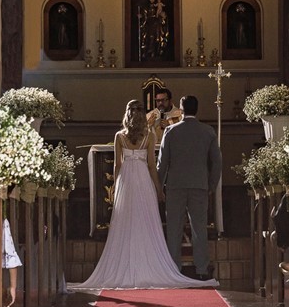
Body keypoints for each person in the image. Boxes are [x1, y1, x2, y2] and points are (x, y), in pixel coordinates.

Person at [70, 100, 216, 290]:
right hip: (145, 181)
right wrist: (158, 188)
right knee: (147, 221)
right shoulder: (149, 135)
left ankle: (139, 264)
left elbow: (117, 165)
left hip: (127, 181)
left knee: (129, 221)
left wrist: (115, 187)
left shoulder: (119, 136)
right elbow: (152, 166)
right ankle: (169, 265)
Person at [157, 95, 223, 281]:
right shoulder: (208, 131)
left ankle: (173, 269)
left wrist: (159, 187)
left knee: (174, 229)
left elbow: (163, 163)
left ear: (181, 109)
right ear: (197, 109)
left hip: (175, 186)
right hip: (199, 185)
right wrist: (211, 184)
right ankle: (201, 269)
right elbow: (217, 162)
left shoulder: (170, 131)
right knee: (199, 228)